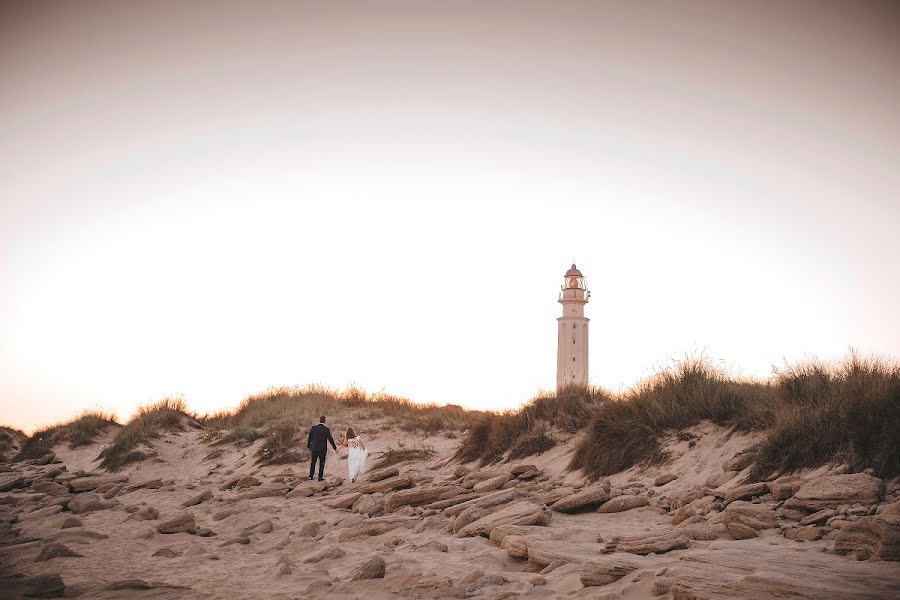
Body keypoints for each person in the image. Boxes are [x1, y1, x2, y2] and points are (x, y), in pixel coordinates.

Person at [307, 415, 337, 481]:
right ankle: (320, 477)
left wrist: (308, 446)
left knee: (313, 462)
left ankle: (311, 476)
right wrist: (335, 448)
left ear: (319, 420)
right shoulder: (326, 429)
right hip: (322, 449)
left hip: (314, 448)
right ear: (325, 421)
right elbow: (330, 439)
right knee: (321, 462)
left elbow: (310, 437)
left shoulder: (313, 428)